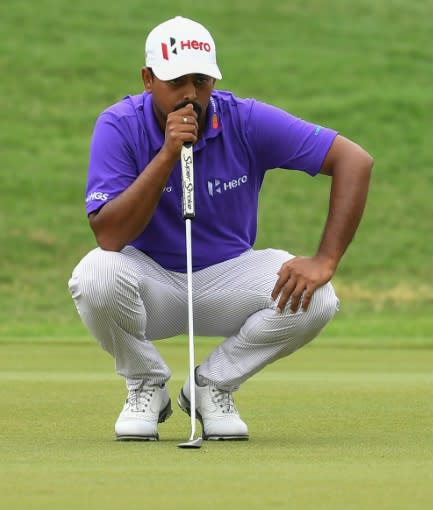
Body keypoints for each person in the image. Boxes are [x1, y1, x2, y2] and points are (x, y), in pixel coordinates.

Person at [68, 16, 373, 441]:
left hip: (228, 278)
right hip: (148, 282)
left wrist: (326, 259)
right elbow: (110, 236)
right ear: (148, 79)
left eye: (201, 80)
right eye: (177, 81)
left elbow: (354, 160)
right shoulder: (119, 124)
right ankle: (145, 383)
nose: (191, 94)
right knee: (95, 273)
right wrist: (167, 154)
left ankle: (212, 386)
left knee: (318, 297)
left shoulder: (245, 119)